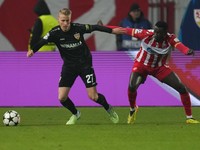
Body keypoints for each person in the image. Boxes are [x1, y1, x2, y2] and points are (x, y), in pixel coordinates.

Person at [27, 8, 125, 125]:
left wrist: (112, 31)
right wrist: (33, 50)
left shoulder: (78, 28)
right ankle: (76, 114)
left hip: (85, 65)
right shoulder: (54, 32)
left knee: (93, 96)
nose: (65, 23)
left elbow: (95, 27)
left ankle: (109, 109)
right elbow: (42, 41)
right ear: (58, 20)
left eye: (68, 20)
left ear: (70, 19)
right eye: (63, 20)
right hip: (69, 67)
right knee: (62, 97)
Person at [107, 21, 199, 124]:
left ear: (165, 33)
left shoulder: (170, 38)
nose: (155, 34)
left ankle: (189, 118)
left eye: (158, 33)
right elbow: (123, 30)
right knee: (132, 87)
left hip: (159, 68)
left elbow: (179, 45)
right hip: (141, 65)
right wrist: (104, 27)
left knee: (181, 88)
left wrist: (187, 51)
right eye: (155, 31)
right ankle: (133, 109)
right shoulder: (146, 34)